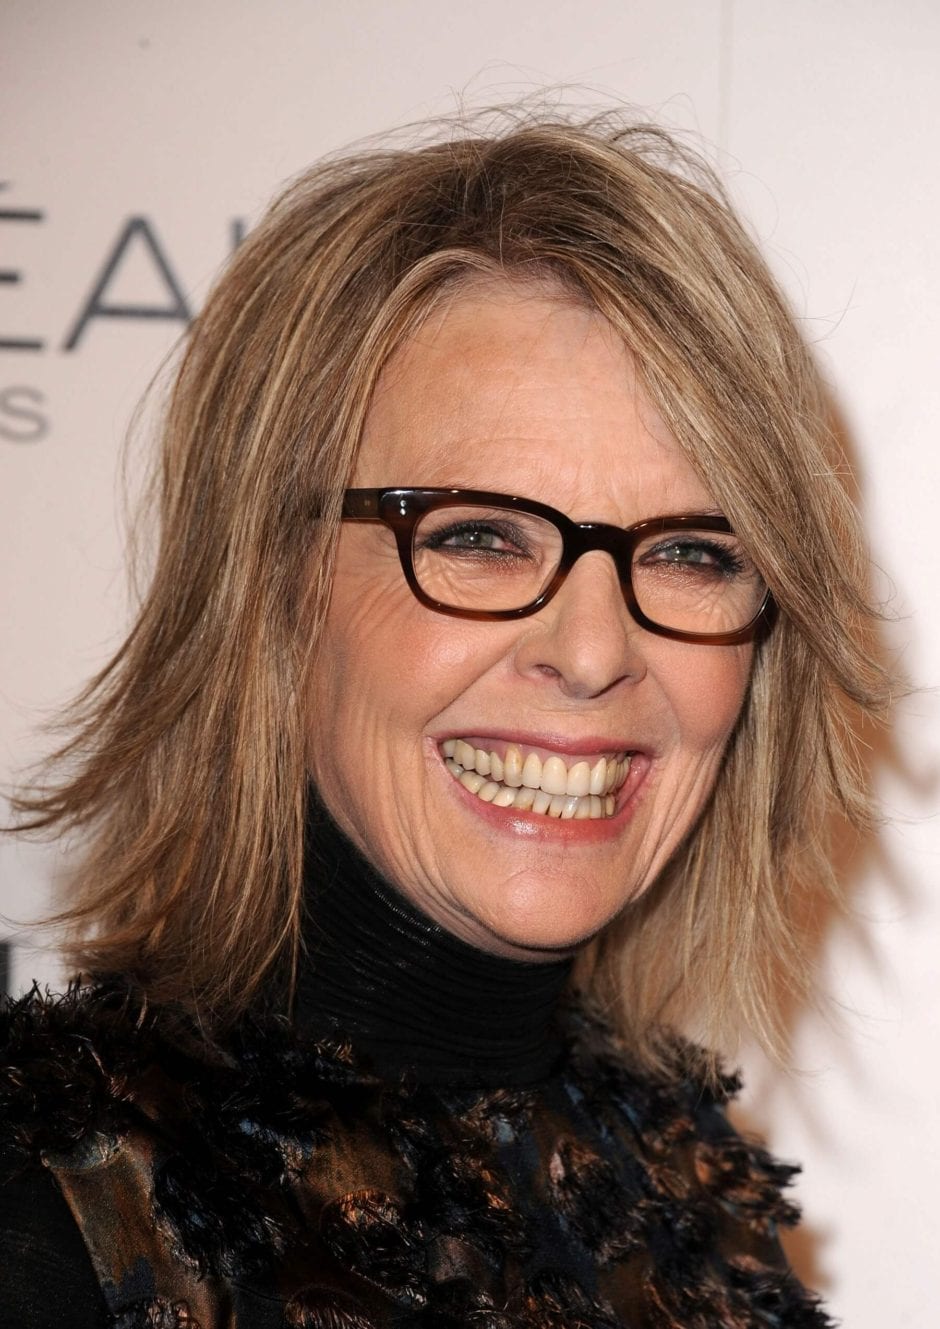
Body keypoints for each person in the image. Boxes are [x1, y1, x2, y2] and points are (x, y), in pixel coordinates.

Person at [0, 111, 888, 1327]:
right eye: (478, 536)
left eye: (691, 551)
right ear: (266, 588)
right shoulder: (52, 1216)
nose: (592, 653)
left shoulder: (695, 1212)